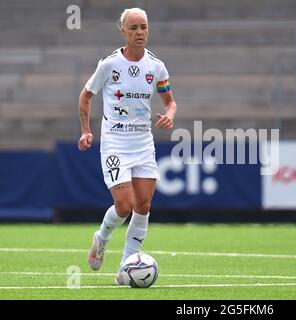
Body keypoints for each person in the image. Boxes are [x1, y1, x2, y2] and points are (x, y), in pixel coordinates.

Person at [77, 7, 177, 284]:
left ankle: (124, 269)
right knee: (124, 204)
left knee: (143, 205)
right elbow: (86, 96)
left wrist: (169, 115)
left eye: (143, 26)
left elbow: (169, 101)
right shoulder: (109, 65)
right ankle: (102, 237)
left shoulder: (156, 66)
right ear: (123, 31)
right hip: (115, 144)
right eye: (133, 27)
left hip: (143, 143)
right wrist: (86, 131)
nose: (140, 32)